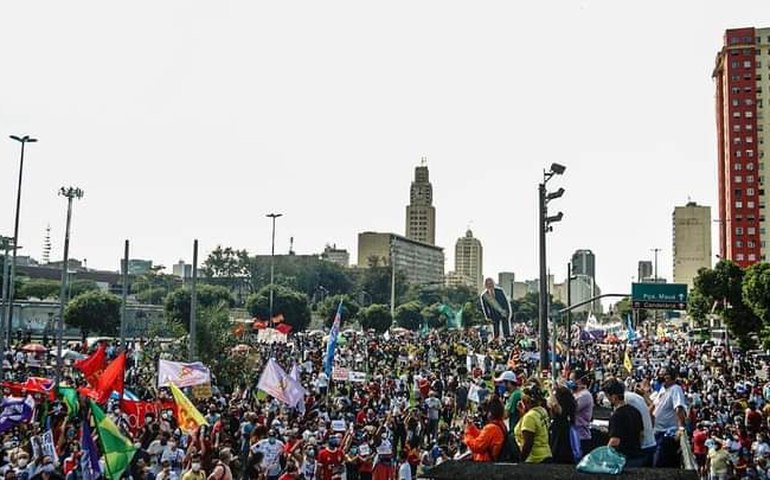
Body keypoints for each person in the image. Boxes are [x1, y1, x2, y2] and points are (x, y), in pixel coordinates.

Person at [602, 379, 645, 467]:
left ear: (614, 397)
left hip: (623, 459)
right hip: (638, 457)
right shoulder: (635, 411)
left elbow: (615, 441)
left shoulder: (617, 415)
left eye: (607, 397)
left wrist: (605, 456)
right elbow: (641, 434)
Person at [651, 367, 688, 468]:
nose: (663, 377)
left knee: (659, 463)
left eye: (666, 374)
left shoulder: (676, 389)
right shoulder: (662, 389)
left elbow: (679, 408)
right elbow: (653, 406)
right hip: (657, 432)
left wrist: (680, 428)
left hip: (667, 433)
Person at [513, 383, 552, 464]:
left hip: (534, 459)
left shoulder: (530, 417)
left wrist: (521, 461)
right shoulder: (542, 410)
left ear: (526, 401)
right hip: (545, 454)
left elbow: (528, 443)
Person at [463, 395, 507, 462]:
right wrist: (471, 427)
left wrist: (467, 434)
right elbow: (483, 437)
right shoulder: (501, 425)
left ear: (490, 413)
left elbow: (477, 446)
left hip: (485, 465)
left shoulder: (491, 428)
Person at [570, 373, 594, 456]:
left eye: (571, 379)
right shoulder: (576, 393)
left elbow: (571, 408)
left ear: (579, 381)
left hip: (581, 436)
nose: (570, 382)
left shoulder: (585, 395)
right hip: (575, 434)